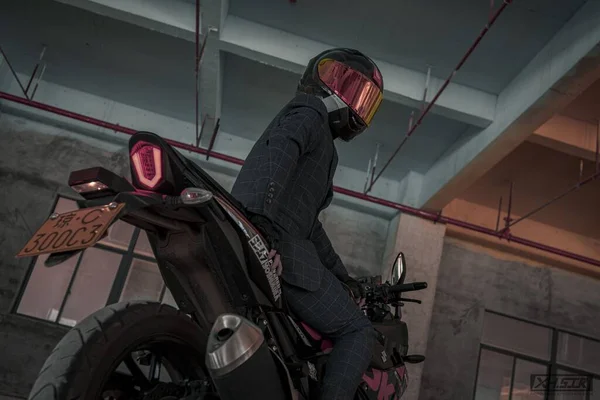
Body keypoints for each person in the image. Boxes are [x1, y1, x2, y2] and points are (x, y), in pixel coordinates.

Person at [231, 48, 384, 400]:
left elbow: (310, 225)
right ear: (320, 77)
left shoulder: (324, 145)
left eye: (364, 99)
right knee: (357, 330)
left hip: (280, 239)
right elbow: (279, 153)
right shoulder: (310, 111)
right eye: (348, 85)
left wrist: (345, 277)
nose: (355, 103)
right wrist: (261, 225)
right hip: (283, 251)